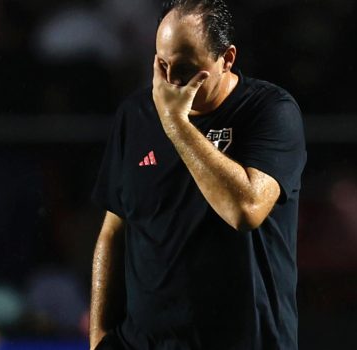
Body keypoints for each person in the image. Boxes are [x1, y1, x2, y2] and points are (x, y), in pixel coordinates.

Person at [89, 0, 306, 349]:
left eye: (187, 70)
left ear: (227, 59)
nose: (172, 82)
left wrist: (176, 124)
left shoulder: (270, 111)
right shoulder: (134, 115)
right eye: (162, 64)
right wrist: (99, 338)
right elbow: (113, 232)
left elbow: (245, 209)